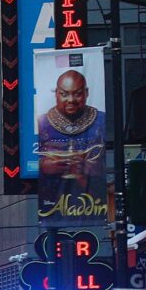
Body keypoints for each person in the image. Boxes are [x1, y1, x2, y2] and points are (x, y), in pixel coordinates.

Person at [36, 67, 108, 202]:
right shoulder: (41, 123)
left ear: (86, 93)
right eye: (64, 94)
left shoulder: (102, 120)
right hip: (52, 201)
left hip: (95, 201)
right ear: (56, 94)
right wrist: (43, 166)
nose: (71, 100)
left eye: (77, 94)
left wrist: (97, 168)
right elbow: (26, 161)